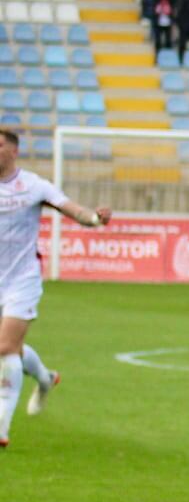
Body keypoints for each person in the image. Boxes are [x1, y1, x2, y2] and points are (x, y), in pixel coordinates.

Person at [0, 129, 112, 449]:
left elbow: (73, 210)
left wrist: (95, 217)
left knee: (5, 346)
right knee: (12, 349)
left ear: (14, 152)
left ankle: (2, 426)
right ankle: (46, 378)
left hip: (21, 279)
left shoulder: (33, 185)